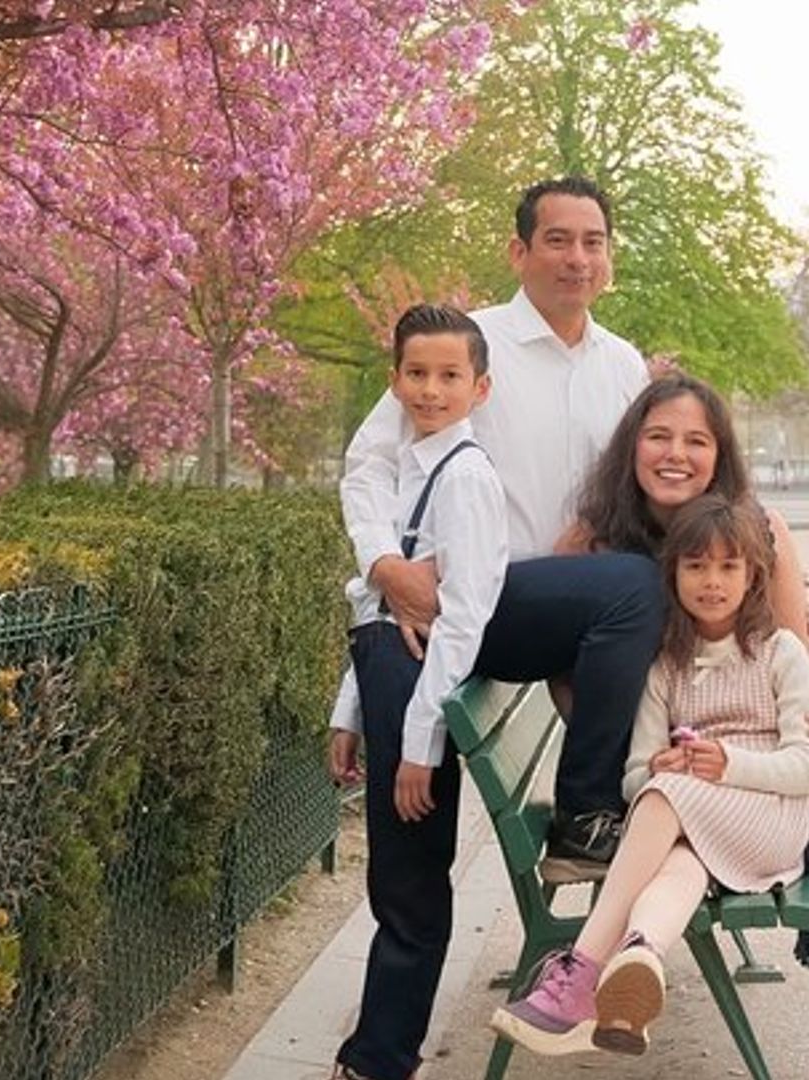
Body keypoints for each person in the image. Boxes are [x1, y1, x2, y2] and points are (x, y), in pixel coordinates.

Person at [566, 374, 809, 1080]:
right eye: (658, 436)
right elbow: (554, 642)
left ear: (721, 454)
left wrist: (808, 714)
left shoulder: (760, 531)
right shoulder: (597, 539)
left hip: (762, 756)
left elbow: (793, 666)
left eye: (696, 440)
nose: (675, 454)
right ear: (632, 447)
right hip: (673, 764)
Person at [337, 177, 661, 884]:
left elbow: (648, 483)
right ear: (519, 252)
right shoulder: (469, 348)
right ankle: (585, 814)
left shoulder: (623, 364)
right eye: (557, 240)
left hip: (566, 611)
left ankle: (660, 837)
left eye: (593, 242)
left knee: (661, 592)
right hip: (473, 600)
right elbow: (367, 464)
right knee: (636, 587)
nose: (577, 257)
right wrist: (384, 564)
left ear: (609, 258)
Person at [490, 494, 809, 1058]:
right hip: (699, 822)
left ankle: (581, 970)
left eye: (728, 567)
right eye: (695, 566)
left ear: (752, 576)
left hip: (770, 815)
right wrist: (659, 765)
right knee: (678, 864)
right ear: (673, 575)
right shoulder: (665, 665)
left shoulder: (779, 652)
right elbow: (634, 779)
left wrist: (728, 764)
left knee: (667, 800)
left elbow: (806, 766)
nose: (712, 581)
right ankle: (639, 960)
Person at [326, 305, 509, 1080]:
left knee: (408, 883)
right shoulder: (416, 466)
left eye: (448, 376)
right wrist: (352, 706)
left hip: (416, 700)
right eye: (416, 374)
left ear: (481, 387)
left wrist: (419, 742)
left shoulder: (464, 477)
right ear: (393, 380)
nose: (430, 390)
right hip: (390, 685)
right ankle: (378, 1052)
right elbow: (390, 605)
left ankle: (380, 1060)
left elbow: (459, 623)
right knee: (396, 879)